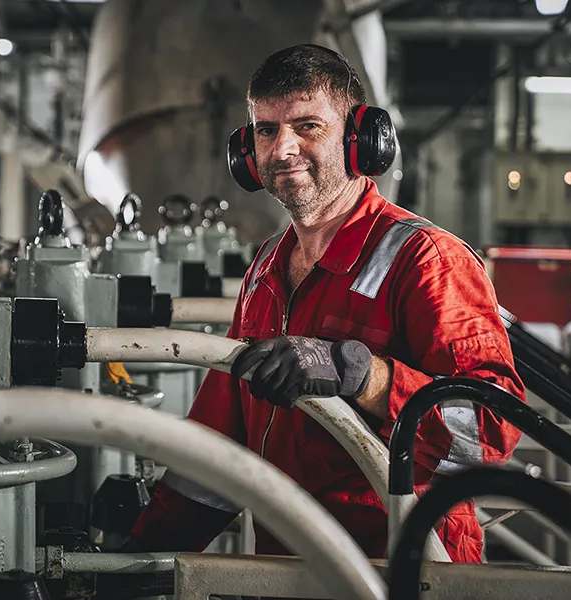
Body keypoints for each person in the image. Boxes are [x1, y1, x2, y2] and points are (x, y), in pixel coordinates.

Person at [126, 44, 526, 561]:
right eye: (266, 130)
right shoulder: (266, 269)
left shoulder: (427, 260)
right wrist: (137, 554)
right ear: (247, 152)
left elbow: (491, 433)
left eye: (307, 126)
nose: (283, 149)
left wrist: (363, 375)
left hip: (405, 573)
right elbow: (221, 441)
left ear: (360, 140)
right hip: (286, 571)